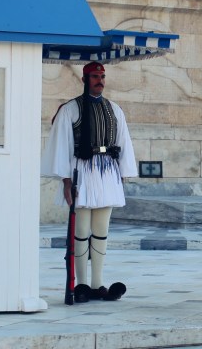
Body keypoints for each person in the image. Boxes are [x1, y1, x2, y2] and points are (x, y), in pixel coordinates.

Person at [41, 61, 137, 302]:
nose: (100, 81)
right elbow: (62, 145)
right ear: (85, 79)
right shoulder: (70, 109)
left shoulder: (114, 109)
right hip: (81, 171)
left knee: (101, 230)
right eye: (95, 76)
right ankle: (81, 283)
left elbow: (123, 143)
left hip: (106, 172)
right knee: (81, 229)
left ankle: (97, 284)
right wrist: (65, 180)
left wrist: (122, 176)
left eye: (102, 76)